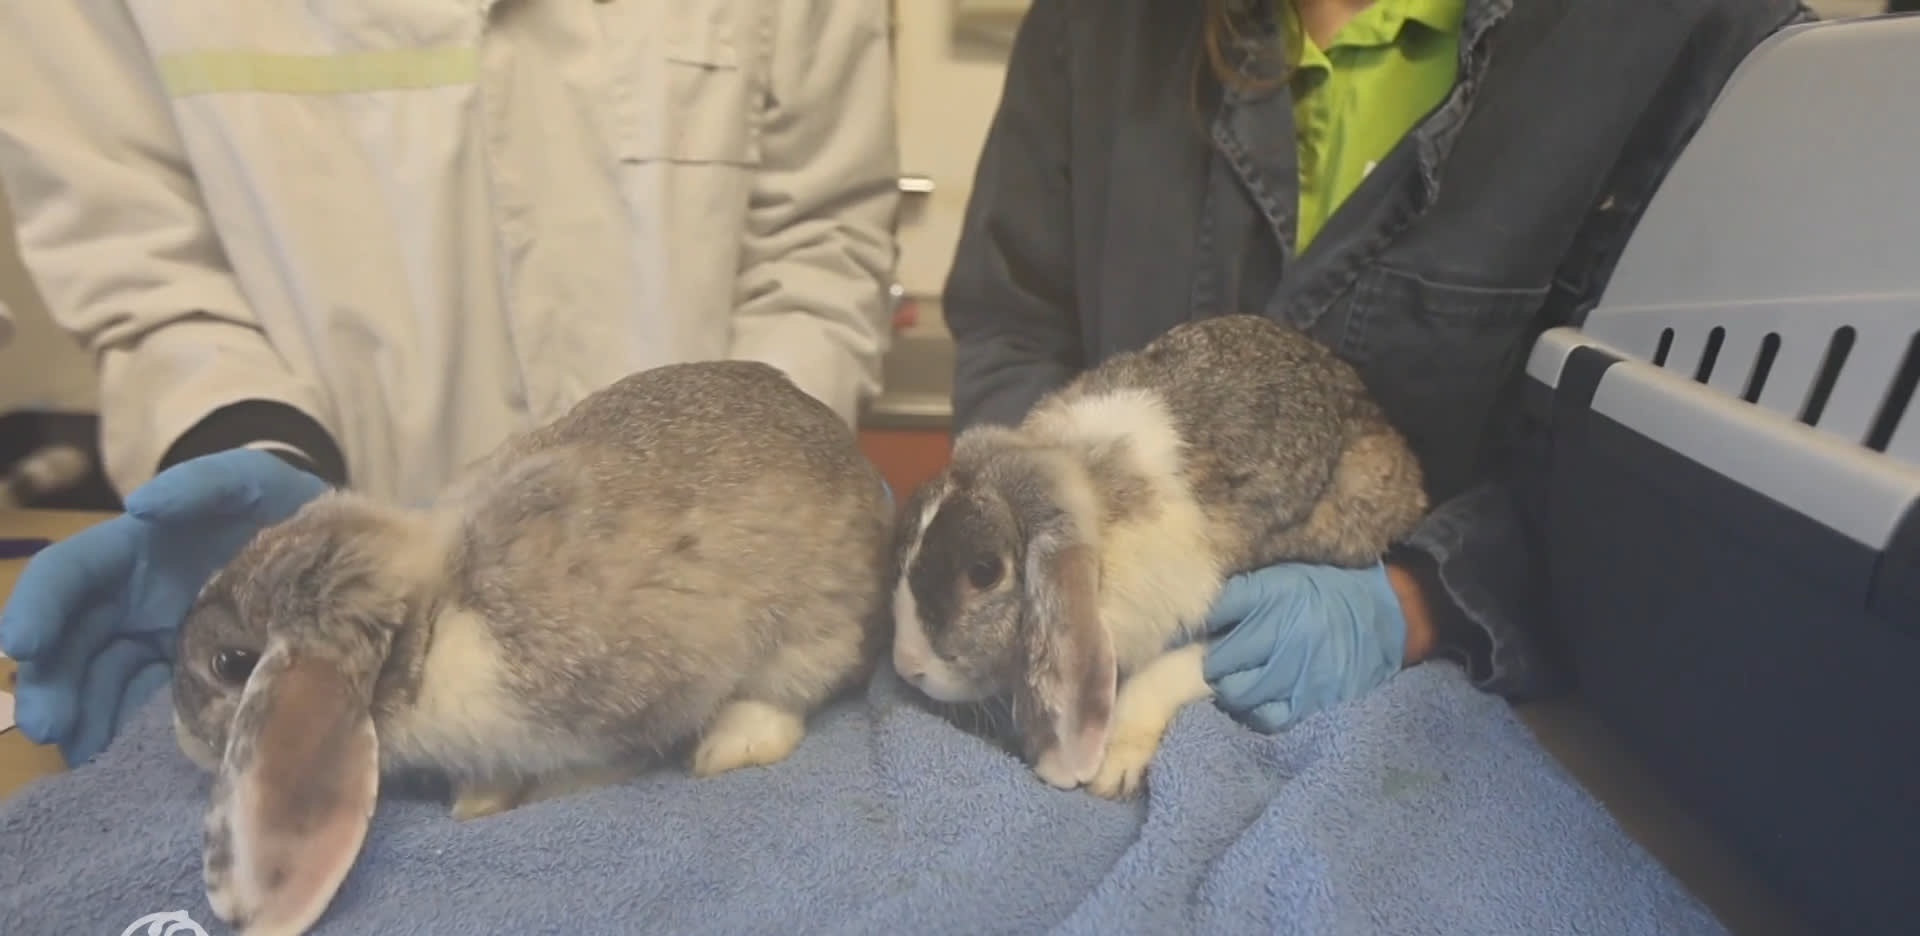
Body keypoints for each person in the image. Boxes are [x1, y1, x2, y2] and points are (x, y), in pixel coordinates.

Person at [0, 1, 899, 764]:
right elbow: (144, 266)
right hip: (353, 531)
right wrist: (253, 475)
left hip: (708, 569)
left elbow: (817, 241)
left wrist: (760, 550)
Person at [944, 0, 1814, 731]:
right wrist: (1047, 547)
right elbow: (1009, 321)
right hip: (1104, 662)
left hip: (1489, 721)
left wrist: (1417, 602)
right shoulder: (1098, 25)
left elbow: (1689, 486)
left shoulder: (1690, 37)